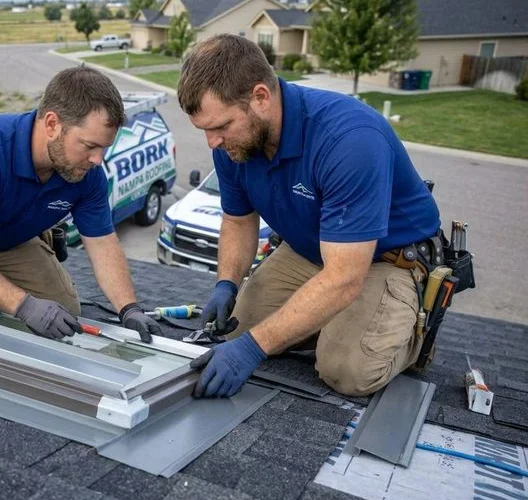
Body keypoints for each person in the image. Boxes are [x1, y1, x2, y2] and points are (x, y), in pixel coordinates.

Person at [178, 34, 441, 398]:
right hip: (311, 250)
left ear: (260, 98)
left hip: (386, 260)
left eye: (221, 126)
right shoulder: (235, 145)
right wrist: (226, 284)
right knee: (237, 329)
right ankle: (327, 320)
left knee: (346, 370)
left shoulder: (349, 140)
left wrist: (255, 349)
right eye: (205, 130)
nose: (213, 143)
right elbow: (239, 220)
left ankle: (405, 331)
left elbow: (345, 276)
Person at [0, 66, 161, 343]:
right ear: (51, 124)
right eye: (89, 146)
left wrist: (128, 309)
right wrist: (24, 306)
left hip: (10, 239)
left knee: (66, 314)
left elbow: (103, 243)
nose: (98, 160)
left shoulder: (86, 172)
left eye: (104, 148)